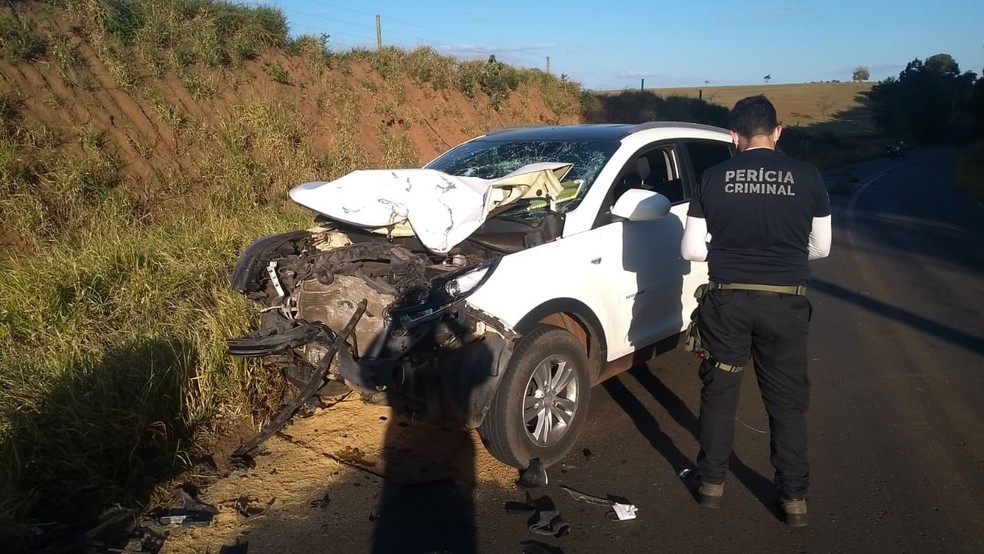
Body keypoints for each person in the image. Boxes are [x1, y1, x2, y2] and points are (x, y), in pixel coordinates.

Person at [679, 95, 832, 528]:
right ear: (778, 131)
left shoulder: (712, 177)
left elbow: (690, 249)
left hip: (727, 304)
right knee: (785, 402)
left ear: (734, 136)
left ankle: (710, 485)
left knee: (720, 394)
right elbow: (821, 247)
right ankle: (794, 498)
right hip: (785, 303)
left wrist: (729, 249)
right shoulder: (808, 176)